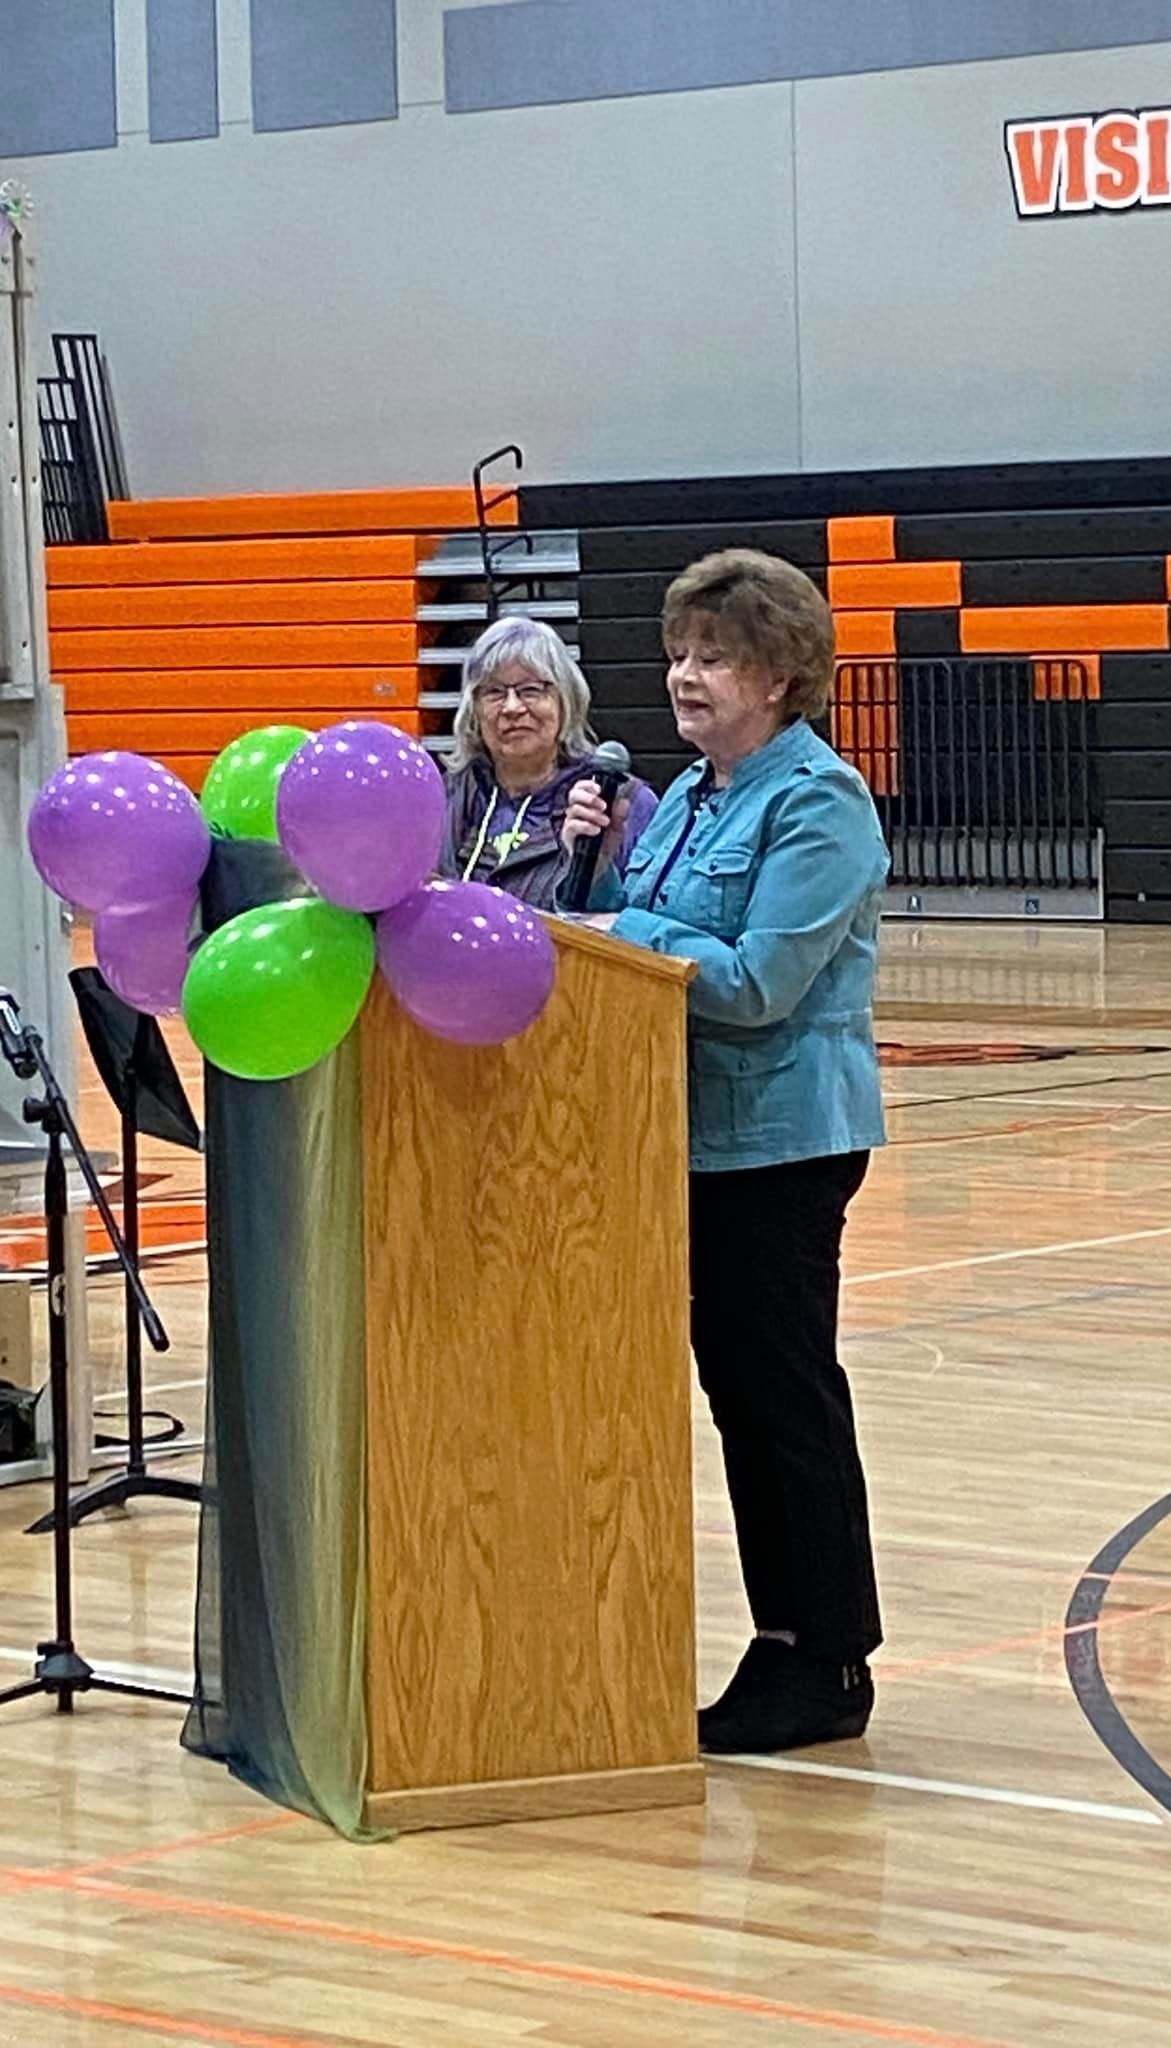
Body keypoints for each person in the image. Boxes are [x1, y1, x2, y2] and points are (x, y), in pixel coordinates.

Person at [563, 549, 889, 1756]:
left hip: (782, 1143)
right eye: (681, 653)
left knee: (784, 1393)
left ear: (783, 674)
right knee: (739, 1394)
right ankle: (785, 1636)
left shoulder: (818, 801)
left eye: (715, 658)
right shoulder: (693, 793)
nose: (684, 676)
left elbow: (755, 982)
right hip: (685, 1136)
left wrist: (615, 926)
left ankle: (825, 1653)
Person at [439, 616, 657, 910]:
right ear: (473, 709)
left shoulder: (620, 801)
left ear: (565, 699)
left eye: (531, 690)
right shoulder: (445, 796)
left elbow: (640, 926)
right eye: (494, 692)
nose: (512, 707)